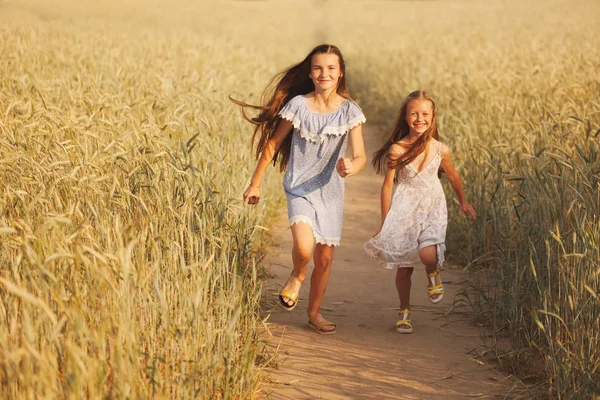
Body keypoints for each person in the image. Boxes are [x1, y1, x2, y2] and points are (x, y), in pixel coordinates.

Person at [232, 44, 366, 334]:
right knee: (304, 249)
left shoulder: (350, 112)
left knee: (325, 258)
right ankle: (297, 273)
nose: (324, 73)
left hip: (331, 192)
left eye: (331, 68)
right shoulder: (297, 106)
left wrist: (351, 167)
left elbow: (361, 156)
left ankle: (314, 312)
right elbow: (273, 144)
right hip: (299, 188)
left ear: (340, 73)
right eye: (318, 68)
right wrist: (254, 183)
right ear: (310, 72)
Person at [364, 90, 476, 334]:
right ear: (405, 117)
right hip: (405, 208)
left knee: (428, 254)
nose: (419, 119)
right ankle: (404, 310)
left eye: (425, 114)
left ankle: (432, 272)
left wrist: (463, 201)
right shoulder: (397, 150)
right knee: (404, 267)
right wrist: (385, 222)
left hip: (432, 206)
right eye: (413, 113)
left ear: (433, 117)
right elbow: (386, 186)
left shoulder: (440, 149)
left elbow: (453, 176)